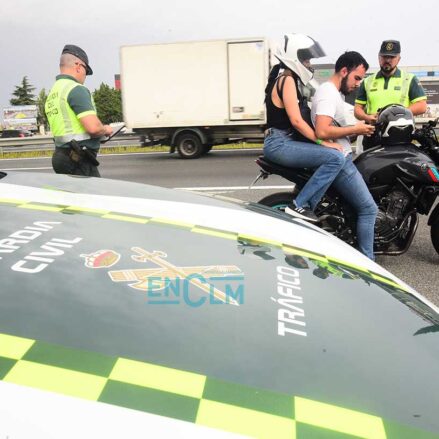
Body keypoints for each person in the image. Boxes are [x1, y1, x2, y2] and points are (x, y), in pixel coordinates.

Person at [263, 34, 349, 222]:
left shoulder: (288, 78)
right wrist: (322, 141)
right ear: (295, 58)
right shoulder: (287, 80)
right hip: (279, 143)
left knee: (329, 157)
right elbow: (296, 121)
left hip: (282, 140)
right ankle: (301, 205)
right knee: (334, 158)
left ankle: (310, 206)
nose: (310, 64)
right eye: (307, 59)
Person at [312, 51, 378, 260]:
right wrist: (355, 130)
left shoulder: (332, 93)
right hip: (340, 161)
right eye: (357, 77)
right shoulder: (328, 93)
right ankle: (369, 263)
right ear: (343, 71)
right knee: (369, 209)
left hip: (340, 156)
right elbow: (322, 130)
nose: (358, 83)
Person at [45, 44, 113, 176]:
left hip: (61, 156)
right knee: (93, 196)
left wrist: (98, 137)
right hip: (77, 158)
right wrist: (105, 129)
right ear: (78, 65)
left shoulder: (54, 92)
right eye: (86, 71)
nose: (85, 75)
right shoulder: (75, 89)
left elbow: (69, 129)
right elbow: (93, 128)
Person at [354, 40, 427, 149]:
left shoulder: (409, 79)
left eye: (392, 57)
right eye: (384, 57)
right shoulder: (367, 81)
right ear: (379, 57)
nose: (387, 60)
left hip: (400, 135)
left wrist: (395, 115)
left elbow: (422, 106)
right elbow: (357, 109)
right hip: (373, 134)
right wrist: (367, 117)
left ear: (398, 59)